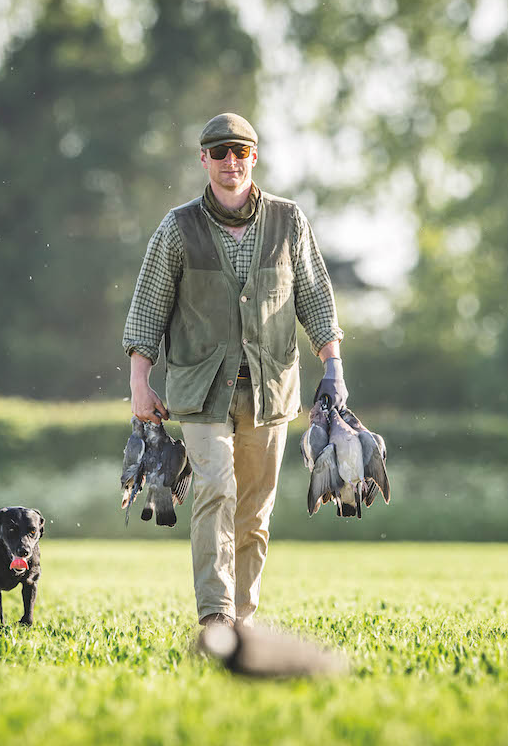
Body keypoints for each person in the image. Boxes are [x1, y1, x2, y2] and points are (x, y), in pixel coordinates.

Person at [122, 112, 348, 629]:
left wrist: (333, 368)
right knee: (215, 490)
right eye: (219, 152)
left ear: (254, 158)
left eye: (240, 152)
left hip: (271, 391)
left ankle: (243, 620)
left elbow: (315, 297)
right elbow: (148, 308)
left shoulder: (289, 221)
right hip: (200, 392)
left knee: (254, 515)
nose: (230, 162)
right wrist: (139, 382)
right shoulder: (177, 227)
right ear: (203, 158)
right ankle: (216, 616)